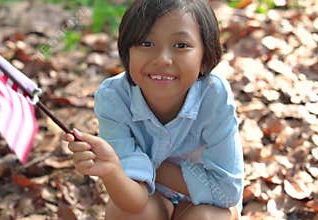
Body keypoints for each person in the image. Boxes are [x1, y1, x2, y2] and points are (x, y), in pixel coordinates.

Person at [63, 0, 244, 219]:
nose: (162, 59)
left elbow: (226, 192)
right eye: (147, 44)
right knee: (122, 213)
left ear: (205, 59)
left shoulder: (214, 95)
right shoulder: (114, 97)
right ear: (127, 52)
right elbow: (133, 202)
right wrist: (112, 170)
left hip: (208, 204)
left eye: (181, 45)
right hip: (153, 199)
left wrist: (156, 170)